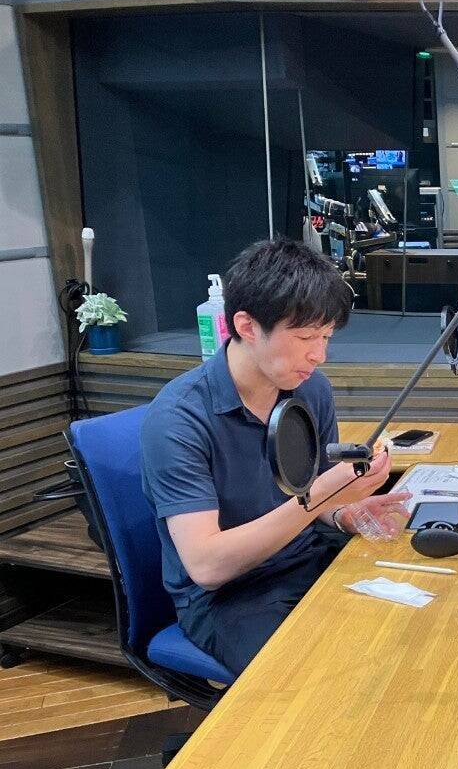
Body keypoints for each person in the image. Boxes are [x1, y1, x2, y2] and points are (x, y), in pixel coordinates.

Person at [141, 238, 410, 678]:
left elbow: (310, 499)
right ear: (247, 326)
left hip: (309, 556)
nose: (319, 354)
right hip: (231, 596)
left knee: (408, 631)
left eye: (325, 337)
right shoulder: (179, 419)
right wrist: (322, 497)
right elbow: (207, 565)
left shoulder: (310, 389)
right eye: (305, 337)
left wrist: (344, 511)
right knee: (321, 680)